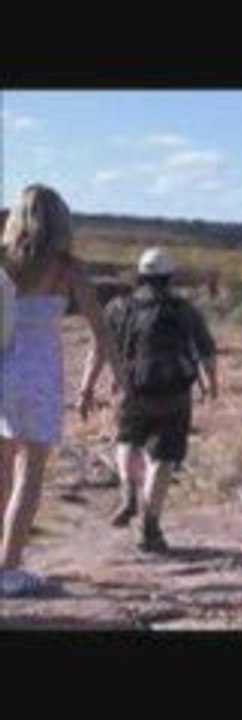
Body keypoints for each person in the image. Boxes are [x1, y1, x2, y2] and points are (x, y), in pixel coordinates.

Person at [0, 184, 127, 596]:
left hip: (2, 371)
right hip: (38, 376)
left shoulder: (4, 261)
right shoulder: (67, 268)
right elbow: (100, 329)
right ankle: (8, 570)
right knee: (29, 475)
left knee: (2, 471)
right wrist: (114, 376)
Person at [79, 247, 218, 554]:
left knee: (126, 440)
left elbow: (98, 350)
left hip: (132, 389)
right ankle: (149, 526)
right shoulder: (185, 310)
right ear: (170, 277)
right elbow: (206, 350)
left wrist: (86, 389)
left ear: (140, 275)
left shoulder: (120, 307)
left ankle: (128, 492)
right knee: (163, 458)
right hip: (175, 394)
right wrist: (211, 384)